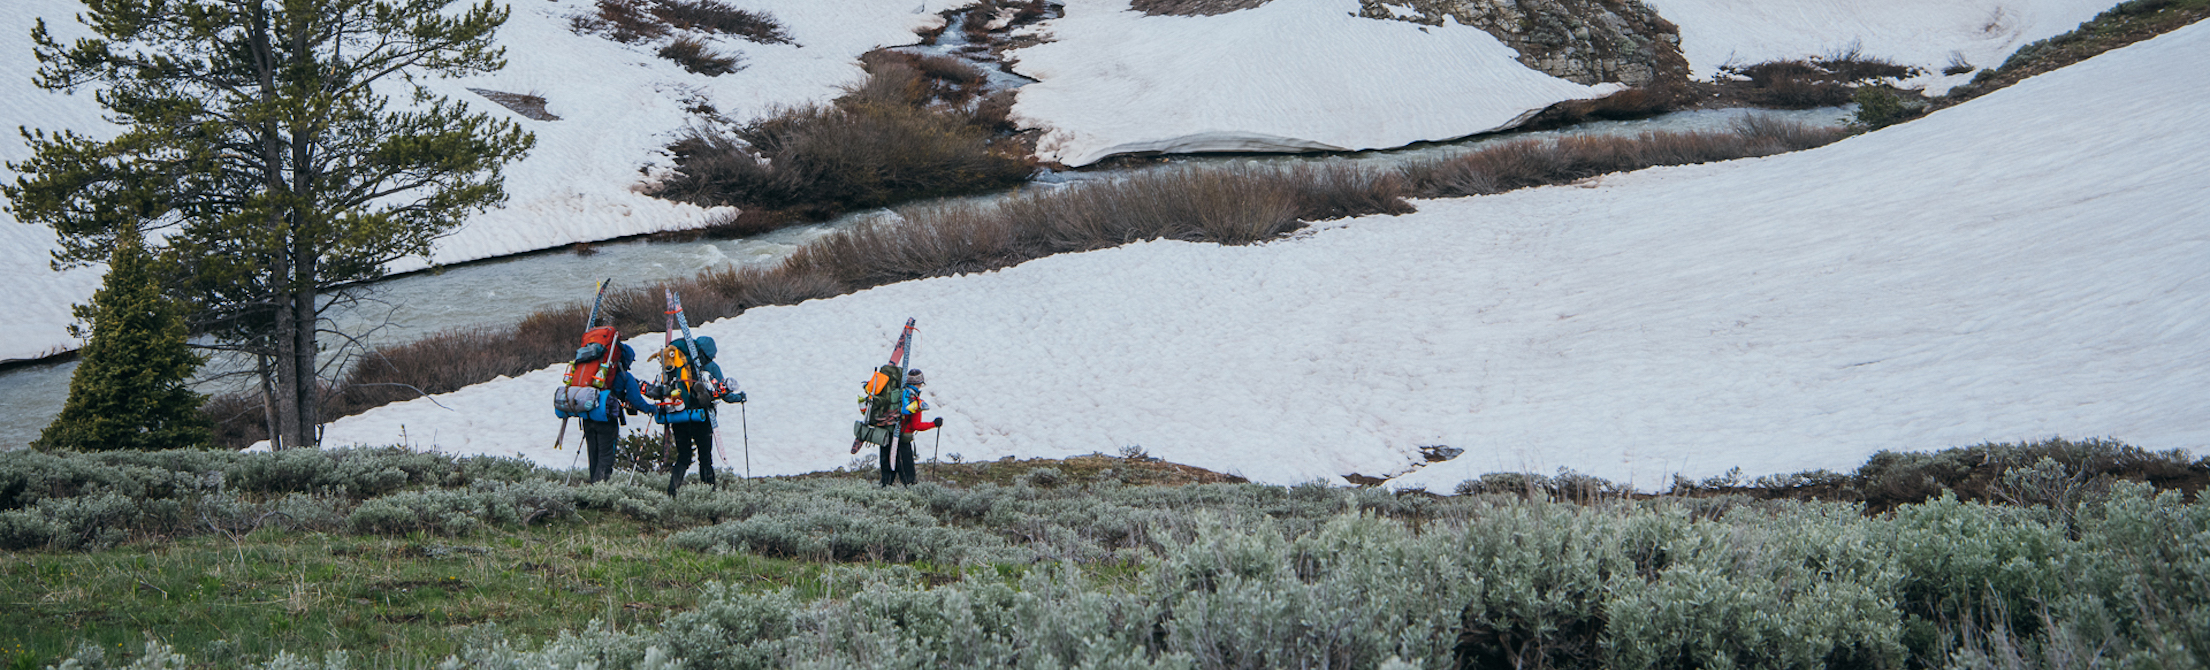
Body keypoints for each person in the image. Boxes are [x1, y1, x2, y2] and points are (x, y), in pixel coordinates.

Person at [646, 336, 745, 495]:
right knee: (705, 458)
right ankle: (709, 494)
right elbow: (724, 394)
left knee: (683, 457)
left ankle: (672, 491)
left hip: (679, 416)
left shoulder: (679, 364)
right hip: (702, 416)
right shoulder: (711, 366)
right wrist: (739, 397)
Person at [578, 343, 655, 483]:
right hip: (607, 420)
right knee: (605, 457)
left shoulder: (594, 371)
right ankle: (599, 492)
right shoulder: (625, 376)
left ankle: (591, 489)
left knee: (593, 455)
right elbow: (636, 400)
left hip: (588, 416)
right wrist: (651, 409)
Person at [881, 368, 944, 487]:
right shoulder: (913, 400)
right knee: (908, 476)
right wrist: (934, 424)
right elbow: (916, 425)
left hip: (886, 435)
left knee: (887, 475)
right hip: (902, 440)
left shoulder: (895, 394)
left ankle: (882, 494)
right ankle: (910, 495)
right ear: (919, 383)